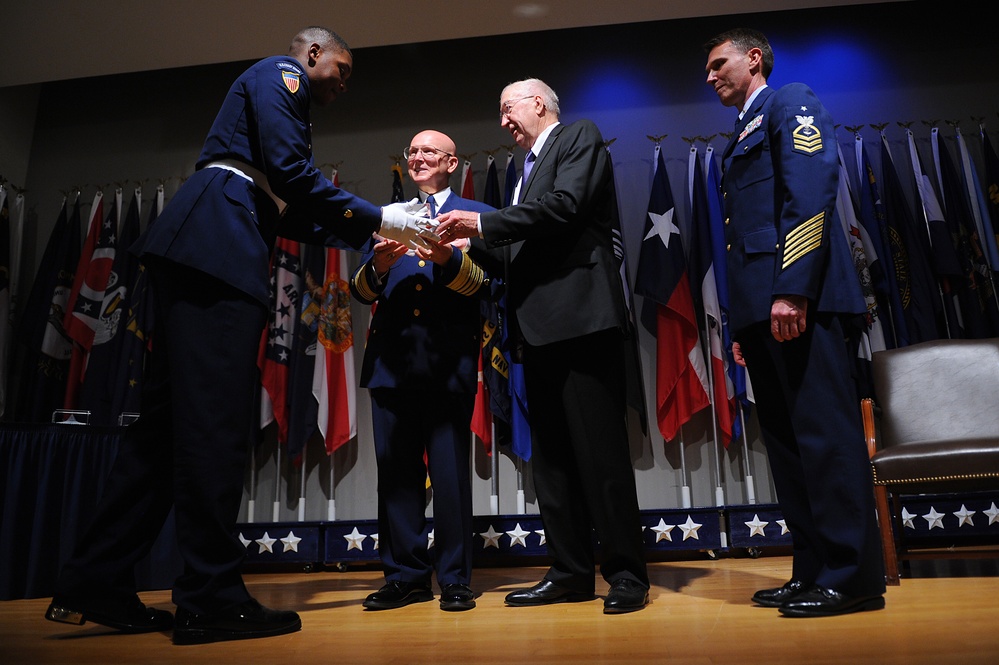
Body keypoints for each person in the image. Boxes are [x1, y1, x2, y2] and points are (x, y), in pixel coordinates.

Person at [44, 26, 433, 645]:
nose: (344, 81)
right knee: (215, 427)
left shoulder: (280, 118)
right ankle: (209, 596)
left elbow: (291, 205)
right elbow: (292, 175)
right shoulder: (282, 77)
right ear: (310, 55)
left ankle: (96, 578)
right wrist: (384, 214)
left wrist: (374, 233)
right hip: (217, 249)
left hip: (205, 243)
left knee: (167, 432)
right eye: (342, 67)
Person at [434, 79, 650, 614]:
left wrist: (481, 223)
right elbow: (519, 252)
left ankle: (626, 575)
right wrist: (464, 251)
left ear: (538, 103)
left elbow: (565, 207)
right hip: (535, 333)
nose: (503, 121)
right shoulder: (518, 173)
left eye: (507, 108)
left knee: (601, 457)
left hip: (582, 323)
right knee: (551, 461)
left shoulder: (578, 136)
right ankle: (571, 572)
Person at [702, 28, 886, 617]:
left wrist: (792, 291)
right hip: (765, 310)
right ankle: (813, 569)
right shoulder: (740, 132)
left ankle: (853, 576)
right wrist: (742, 323)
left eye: (718, 64)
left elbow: (809, 196)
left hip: (800, 300)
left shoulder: (791, 101)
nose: (710, 77)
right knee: (788, 447)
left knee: (826, 439)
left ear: (753, 58)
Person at [350, 130, 495, 613]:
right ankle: (405, 576)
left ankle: (454, 578)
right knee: (396, 476)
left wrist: (446, 258)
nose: (417, 157)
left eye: (429, 151)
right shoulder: (390, 217)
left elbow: (485, 287)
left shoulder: (477, 215)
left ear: (453, 162)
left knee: (450, 477)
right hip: (391, 364)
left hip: (446, 363)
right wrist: (379, 266)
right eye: (412, 151)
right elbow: (361, 291)